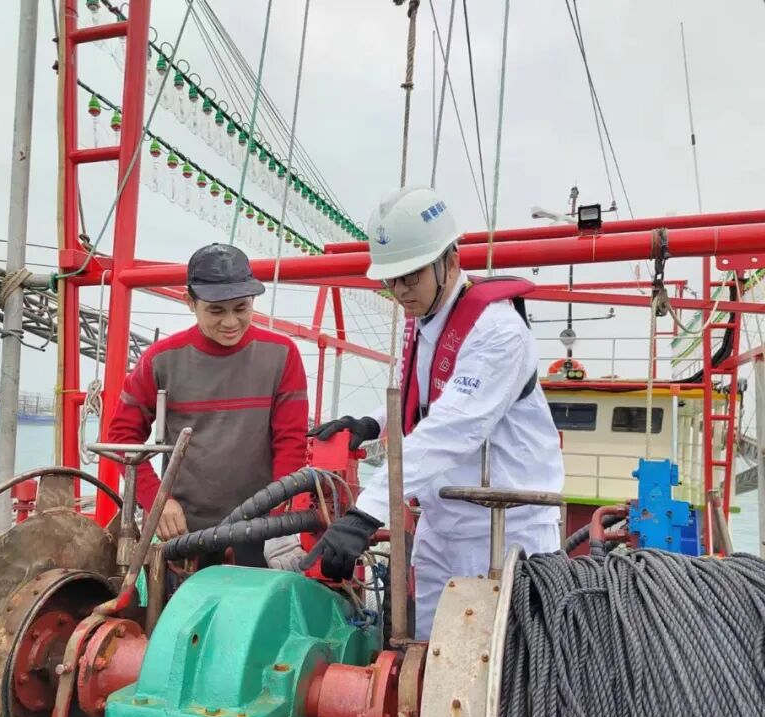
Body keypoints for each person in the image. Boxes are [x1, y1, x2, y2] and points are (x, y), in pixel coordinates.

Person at [304, 186, 565, 640]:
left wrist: (367, 512)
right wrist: (372, 423)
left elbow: (452, 428)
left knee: (500, 663)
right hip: (442, 524)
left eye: (412, 276)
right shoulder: (426, 320)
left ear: (451, 260)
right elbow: (422, 400)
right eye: (392, 280)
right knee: (426, 653)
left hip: (503, 533)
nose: (401, 291)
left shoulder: (498, 333)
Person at [108, 243, 309, 570]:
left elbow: (291, 443)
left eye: (241, 308)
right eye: (216, 311)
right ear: (190, 302)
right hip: (185, 532)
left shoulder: (282, 355)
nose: (231, 322)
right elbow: (121, 437)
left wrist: (280, 523)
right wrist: (158, 501)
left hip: (260, 530)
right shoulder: (160, 360)